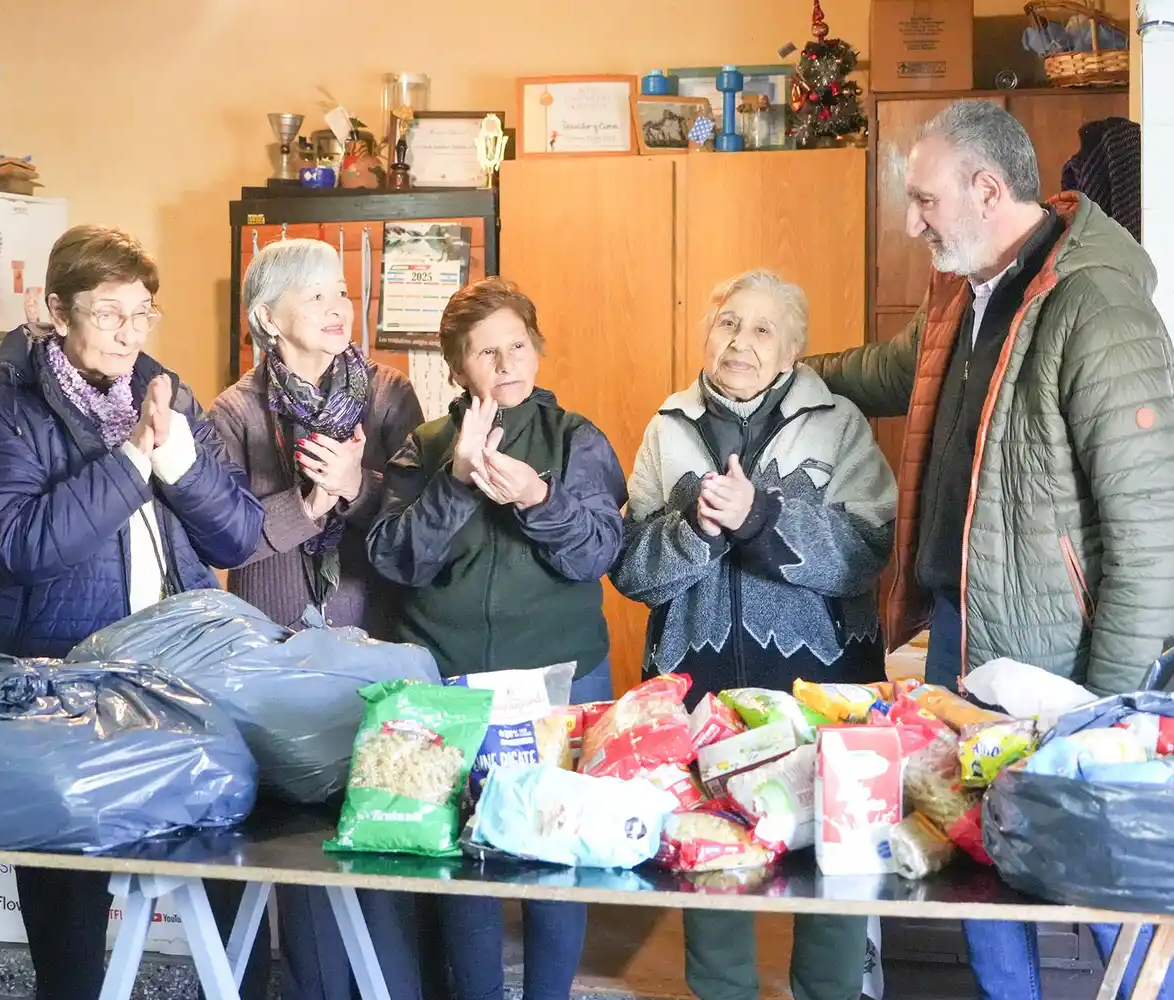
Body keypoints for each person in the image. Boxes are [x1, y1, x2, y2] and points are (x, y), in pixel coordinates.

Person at [806, 99, 1174, 1000]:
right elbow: (901, 370)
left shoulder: (1094, 304)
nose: (914, 223)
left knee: (1101, 882)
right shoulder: (966, 285)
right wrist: (787, 371)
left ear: (986, 189)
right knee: (980, 867)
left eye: (924, 200)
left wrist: (1110, 705)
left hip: (1064, 661)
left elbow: (1154, 529)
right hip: (964, 631)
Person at [0, 224, 265, 1000]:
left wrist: (181, 464)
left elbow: (238, 537)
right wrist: (133, 461)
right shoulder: (8, 412)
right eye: (108, 314)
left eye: (142, 314)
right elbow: (27, 544)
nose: (129, 334)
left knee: (229, 871)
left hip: (175, 677)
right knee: (67, 905)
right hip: (60, 682)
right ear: (55, 309)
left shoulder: (168, 394)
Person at [611, 269, 894, 1000]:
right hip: (699, 689)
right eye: (728, 323)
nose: (740, 341)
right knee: (710, 858)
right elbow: (633, 569)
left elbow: (868, 549)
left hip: (823, 688)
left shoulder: (839, 423)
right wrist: (699, 528)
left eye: (763, 329)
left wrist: (758, 516)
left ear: (793, 350)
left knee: (831, 863)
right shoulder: (667, 427)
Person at [367, 277, 626, 1000]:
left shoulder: (575, 437)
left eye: (517, 345)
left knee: (556, 855)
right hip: (447, 681)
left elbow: (598, 552)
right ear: (457, 367)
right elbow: (394, 559)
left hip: (560, 679)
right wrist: (455, 484)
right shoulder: (426, 444)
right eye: (486, 352)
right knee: (463, 862)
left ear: (537, 350)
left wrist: (538, 498)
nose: (507, 363)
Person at [206, 236, 426, 1000]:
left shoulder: (388, 396)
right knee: (296, 843)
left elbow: (422, 522)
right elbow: (223, 536)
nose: (339, 309)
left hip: (375, 642)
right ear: (268, 317)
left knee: (383, 828)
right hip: (272, 655)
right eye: (317, 295)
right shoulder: (233, 412)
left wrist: (357, 486)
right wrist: (306, 504)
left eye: (342, 293)